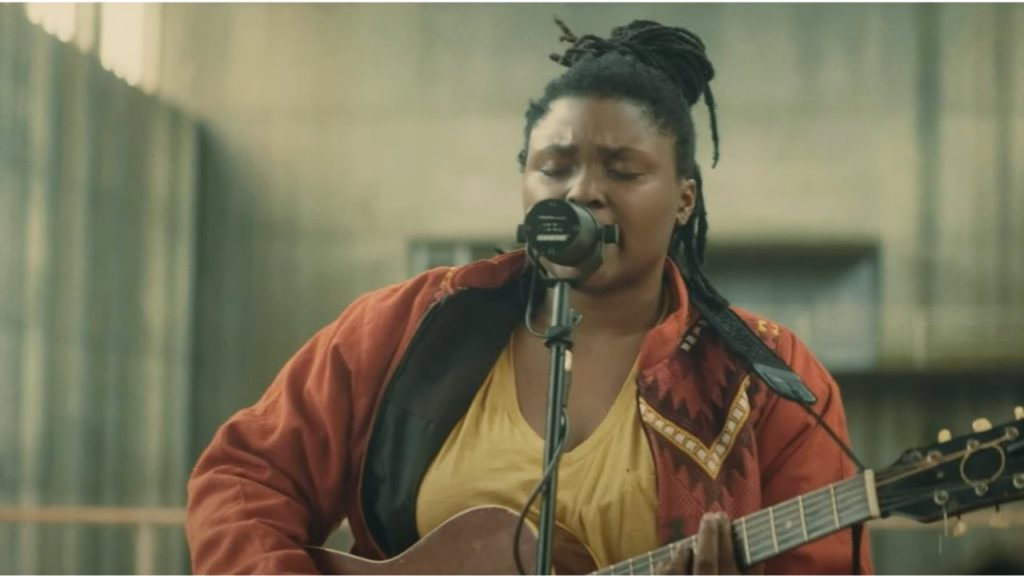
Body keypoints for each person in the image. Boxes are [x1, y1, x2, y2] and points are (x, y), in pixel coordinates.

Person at [186, 18, 873, 574]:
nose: (583, 192)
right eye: (556, 167)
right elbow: (246, 477)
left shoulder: (771, 383)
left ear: (684, 198)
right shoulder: (411, 325)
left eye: (623, 169)